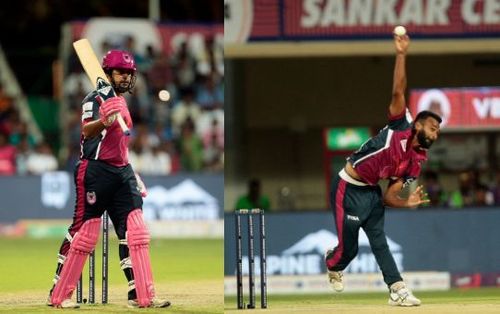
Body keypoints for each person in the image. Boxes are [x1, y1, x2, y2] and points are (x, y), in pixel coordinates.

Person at [324, 34, 441, 307]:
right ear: (419, 125)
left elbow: (389, 197)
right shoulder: (401, 125)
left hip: (373, 194)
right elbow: (398, 90)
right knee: (348, 250)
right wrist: (401, 54)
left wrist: (406, 201)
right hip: (347, 187)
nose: (435, 135)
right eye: (433, 129)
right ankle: (333, 261)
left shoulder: (416, 161)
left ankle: (397, 290)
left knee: (380, 243)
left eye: (438, 133)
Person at [47, 50, 170, 308]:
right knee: (84, 233)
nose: (125, 77)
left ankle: (141, 295)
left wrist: (131, 172)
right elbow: (87, 131)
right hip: (94, 170)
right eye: (120, 72)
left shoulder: (121, 101)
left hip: (121, 171)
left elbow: (119, 145)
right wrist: (104, 120)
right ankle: (59, 294)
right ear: (107, 74)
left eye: (129, 73)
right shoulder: (94, 98)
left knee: (136, 232)